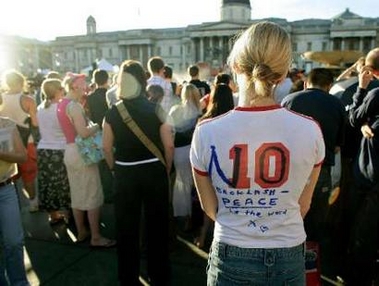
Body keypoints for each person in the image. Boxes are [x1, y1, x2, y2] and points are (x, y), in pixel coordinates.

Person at [190, 21, 325, 285]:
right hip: (289, 253)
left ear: (235, 66)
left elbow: (210, 207)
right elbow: (303, 205)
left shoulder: (206, 131)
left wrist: (242, 219)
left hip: (231, 250)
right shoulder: (310, 130)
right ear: (283, 72)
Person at [103, 60, 174, 285]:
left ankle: (128, 277)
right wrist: (167, 167)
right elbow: (169, 145)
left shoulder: (113, 111)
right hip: (154, 169)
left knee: (126, 229)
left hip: (125, 172)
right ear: (143, 81)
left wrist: (114, 168)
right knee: (157, 227)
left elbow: (106, 147)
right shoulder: (156, 108)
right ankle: (158, 274)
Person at [281, 68, 346, 277]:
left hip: (290, 171)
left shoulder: (289, 100)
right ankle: (312, 269)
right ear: (328, 86)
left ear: (307, 83)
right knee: (317, 222)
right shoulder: (337, 104)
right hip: (321, 172)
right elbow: (338, 145)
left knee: (289, 219)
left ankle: (289, 264)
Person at [57, 72, 115, 248]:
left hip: (70, 151)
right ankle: (96, 237)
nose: (87, 86)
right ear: (74, 85)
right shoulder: (74, 106)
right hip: (81, 153)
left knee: (77, 193)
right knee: (93, 195)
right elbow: (83, 132)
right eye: (83, 83)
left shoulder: (62, 104)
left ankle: (82, 231)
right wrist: (98, 125)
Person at [346, 47, 379, 286]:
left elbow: (354, 118)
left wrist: (360, 87)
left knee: (364, 236)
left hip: (372, 176)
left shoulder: (375, 94)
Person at [194, 79, 236, 249]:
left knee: (208, 206)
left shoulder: (204, 121)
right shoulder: (235, 120)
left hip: (210, 167)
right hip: (231, 168)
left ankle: (203, 238)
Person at [0, 69, 39, 212]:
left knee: (10, 175)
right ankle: (33, 202)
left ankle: (12, 203)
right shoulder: (28, 100)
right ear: (22, 82)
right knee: (28, 174)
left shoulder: (1, 98)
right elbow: (35, 123)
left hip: (5, 141)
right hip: (25, 140)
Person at [37, 78, 71, 225]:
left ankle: (53, 215)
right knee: (66, 183)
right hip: (60, 149)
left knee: (48, 184)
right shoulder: (62, 108)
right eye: (62, 88)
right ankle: (70, 214)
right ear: (58, 90)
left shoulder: (40, 108)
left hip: (44, 149)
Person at [168, 83, 202, 231]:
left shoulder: (175, 110)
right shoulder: (200, 113)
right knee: (194, 185)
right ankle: (191, 217)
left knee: (181, 183)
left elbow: (169, 131)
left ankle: (180, 214)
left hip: (179, 151)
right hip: (194, 151)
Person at [0, 116, 29, 286]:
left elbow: (23, 157)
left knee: (14, 241)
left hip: (5, 189)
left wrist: (2, 154)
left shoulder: (7, 124)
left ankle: (19, 282)